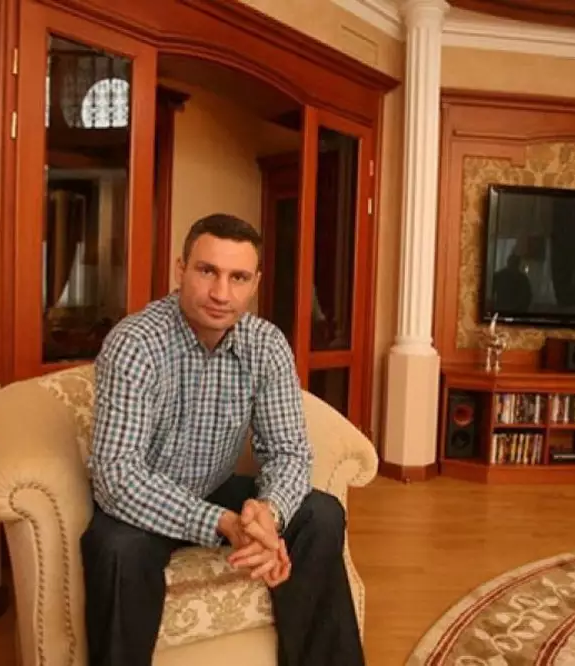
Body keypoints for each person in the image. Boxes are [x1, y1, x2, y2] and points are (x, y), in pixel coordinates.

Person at [81, 213, 366, 666]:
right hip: (141, 500)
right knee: (116, 549)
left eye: (238, 277)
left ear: (255, 283)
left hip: (213, 485)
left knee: (321, 514)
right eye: (207, 271)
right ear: (181, 270)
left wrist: (268, 513)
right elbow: (118, 476)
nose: (221, 293)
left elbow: (289, 451)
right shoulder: (135, 343)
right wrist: (223, 523)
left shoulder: (266, 344)